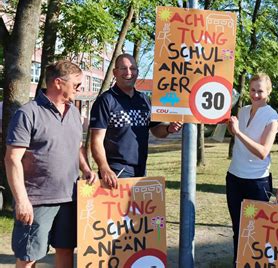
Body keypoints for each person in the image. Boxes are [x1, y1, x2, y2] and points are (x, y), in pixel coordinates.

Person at [5, 60, 97, 268]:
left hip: (70, 197)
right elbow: (12, 159)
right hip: (38, 200)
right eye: (77, 85)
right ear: (58, 83)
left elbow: (77, 147)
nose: (80, 89)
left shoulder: (73, 113)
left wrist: (86, 169)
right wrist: (21, 200)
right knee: (29, 256)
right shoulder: (28, 113)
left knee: (66, 250)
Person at [90, 53, 181, 188]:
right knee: (120, 210)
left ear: (137, 72)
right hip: (116, 171)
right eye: (123, 68)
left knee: (136, 209)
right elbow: (96, 140)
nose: (129, 72)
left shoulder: (144, 100)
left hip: (140, 169)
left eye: (133, 68)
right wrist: (104, 168)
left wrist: (169, 129)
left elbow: (156, 130)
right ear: (115, 72)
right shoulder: (106, 100)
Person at [226, 73, 278, 264]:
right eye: (252, 90)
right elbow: (234, 135)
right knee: (238, 228)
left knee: (257, 231)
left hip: (257, 182)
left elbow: (263, 152)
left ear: (269, 92)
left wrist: (238, 132)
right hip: (234, 177)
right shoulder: (242, 111)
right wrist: (231, 128)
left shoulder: (272, 117)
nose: (256, 95)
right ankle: (238, 263)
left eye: (260, 91)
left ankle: (257, 263)